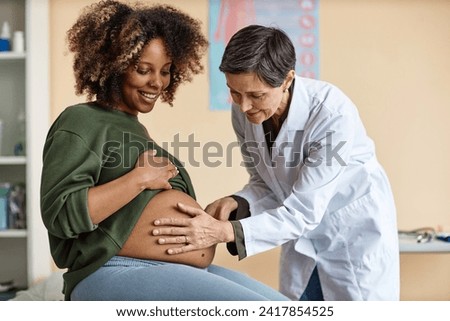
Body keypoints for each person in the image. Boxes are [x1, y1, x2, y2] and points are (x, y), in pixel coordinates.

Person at [40, 2, 289, 301]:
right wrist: (139, 180)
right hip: (114, 269)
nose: (157, 82)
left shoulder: (135, 130)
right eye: (143, 69)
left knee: (283, 307)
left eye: (166, 71)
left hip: (166, 267)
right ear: (114, 64)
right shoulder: (81, 120)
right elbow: (61, 213)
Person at [152, 25, 400, 301]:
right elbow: (266, 181)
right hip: (302, 241)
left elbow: (303, 211)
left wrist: (224, 232)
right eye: (234, 92)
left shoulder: (332, 115)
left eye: (256, 95)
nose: (244, 106)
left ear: (287, 80)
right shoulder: (245, 112)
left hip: (351, 239)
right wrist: (238, 201)